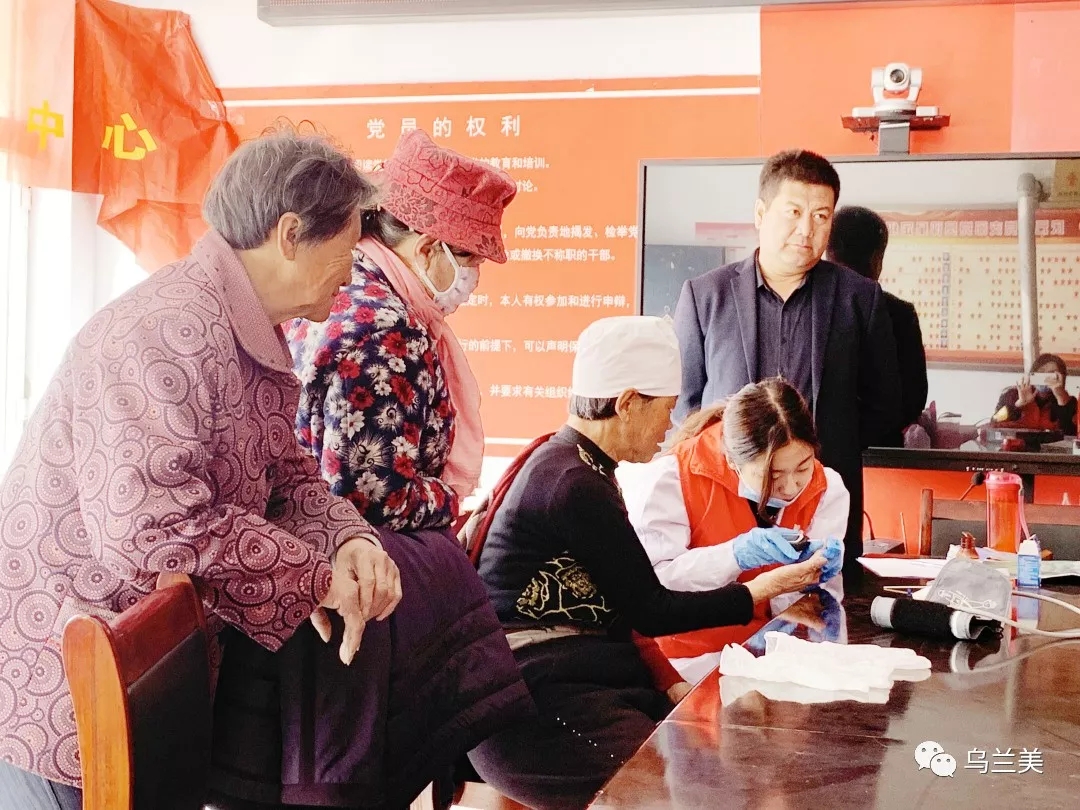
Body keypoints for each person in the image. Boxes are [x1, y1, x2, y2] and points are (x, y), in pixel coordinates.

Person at [0, 129, 403, 807]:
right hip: (66, 689)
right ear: (290, 234)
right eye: (348, 242)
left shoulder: (244, 324)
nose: (353, 266)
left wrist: (348, 541)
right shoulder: (162, 331)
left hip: (148, 676)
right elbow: (150, 532)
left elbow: (287, 475)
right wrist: (314, 580)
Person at [469, 316, 828, 810]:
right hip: (538, 706)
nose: (669, 424)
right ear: (627, 404)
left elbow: (627, 609)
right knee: (661, 793)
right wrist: (761, 589)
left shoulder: (575, 465)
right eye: (664, 408)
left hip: (578, 683)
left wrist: (671, 683)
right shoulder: (573, 482)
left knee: (708, 770)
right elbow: (653, 609)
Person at [672, 149, 902, 569]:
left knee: (821, 601)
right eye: (793, 212)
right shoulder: (706, 295)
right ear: (761, 213)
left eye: (821, 216)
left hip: (820, 500)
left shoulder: (859, 299)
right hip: (723, 499)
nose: (806, 229)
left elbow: (885, 405)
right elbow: (685, 406)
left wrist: (823, 448)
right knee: (726, 599)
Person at [286, 128, 517, 532]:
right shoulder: (387, 331)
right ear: (427, 249)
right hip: (361, 548)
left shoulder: (345, 284)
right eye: (472, 262)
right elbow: (374, 499)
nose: (474, 278)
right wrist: (451, 499)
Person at [619, 377, 847, 683]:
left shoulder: (827, 488)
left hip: (775, 657)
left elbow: (814, 604)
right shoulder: (671, 478)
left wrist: (815, 578)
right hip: (689, 662)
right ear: (732, 460)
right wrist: (736, 555)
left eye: (803, 467)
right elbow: (657, 585)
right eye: (773, 475)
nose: (791, 486)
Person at [827, 205, 928, 440]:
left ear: (828, 253)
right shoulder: (899, 314)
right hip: (879, 451)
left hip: (813, 451)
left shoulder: (803, 306)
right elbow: (913, 401)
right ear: (877, 258)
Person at [992, 353, 1077, 435]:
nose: (1045, 377)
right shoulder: (1011, 395)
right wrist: (1017, 405)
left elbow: (1071, 434)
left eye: (1051, 374)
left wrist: (1061, 398)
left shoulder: (1068, 402)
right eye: (1041, 372)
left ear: (1061, 377)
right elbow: (994, 423)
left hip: (1050, 445)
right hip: (1017, 444)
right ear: (1032, 374)